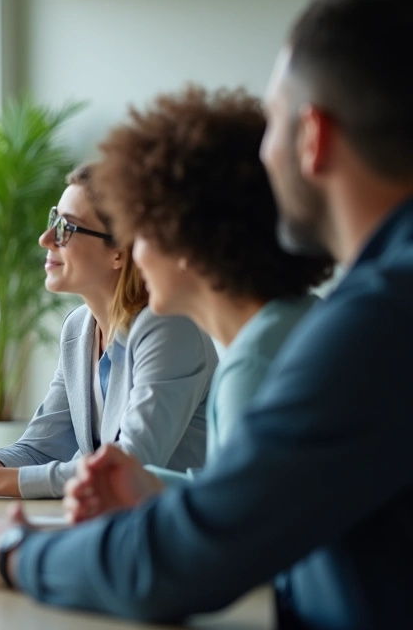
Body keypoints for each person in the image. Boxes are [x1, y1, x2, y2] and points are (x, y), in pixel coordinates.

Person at [0, 0, 413, 625]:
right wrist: (166, 490)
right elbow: (260, 498)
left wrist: (13, 552)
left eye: (272, 123)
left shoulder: (372, 325)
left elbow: (183, 561)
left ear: (314, 137)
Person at [63, 86, 334, 522]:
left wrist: (15, 555)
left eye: (143, 231)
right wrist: (150, 482)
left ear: (188, 238)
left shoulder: (256, 365)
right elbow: (242, 489)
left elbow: (236, 532)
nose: (136, 255)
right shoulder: (291, 325)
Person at [0, 165, 217, 499]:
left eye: (67, 228)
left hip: (179, 533)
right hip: (113, 524)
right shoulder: (79, 328)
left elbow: (129, 465)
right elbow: (43, 447)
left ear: (119, 251)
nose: (45, 239)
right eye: (53, 221)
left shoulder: (170, 328)